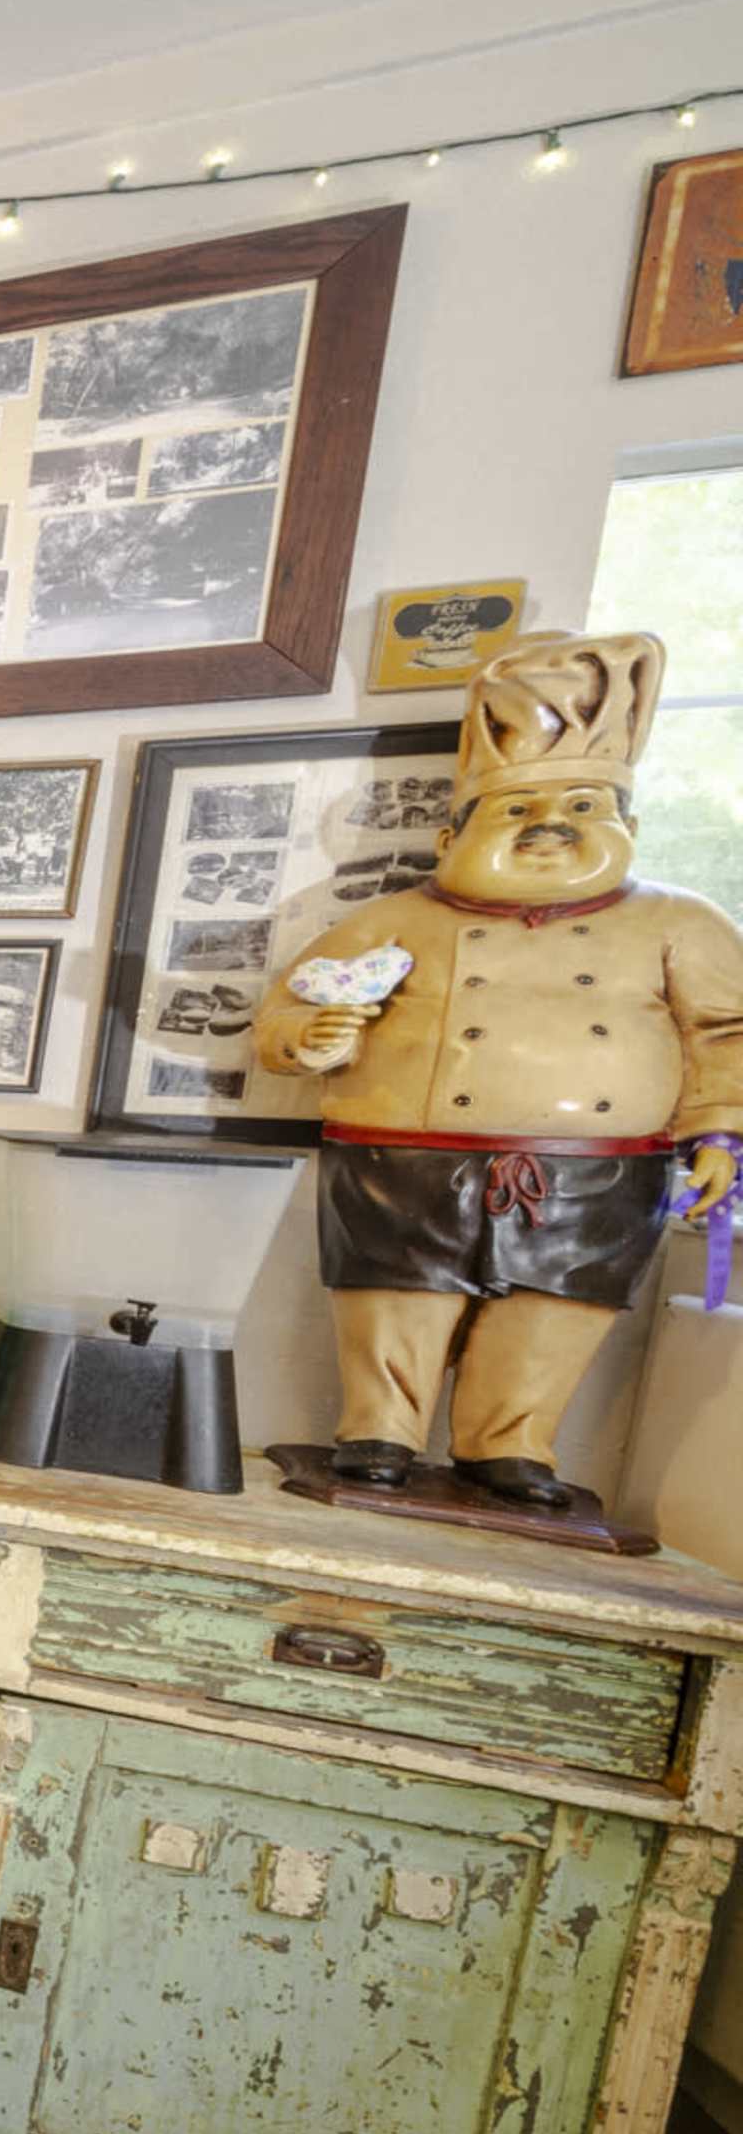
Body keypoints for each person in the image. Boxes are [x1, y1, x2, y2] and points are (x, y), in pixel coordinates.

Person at [252, 632, 743, 1508]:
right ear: (452, 835)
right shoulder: (400, 916)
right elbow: (287, 1009)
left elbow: (727, 1031)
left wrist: (721, 1133)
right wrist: (310, 1036)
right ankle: (378, 1432)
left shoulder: (680, 920)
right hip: (401, 1155)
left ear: (628, 827)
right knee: (394, 1296)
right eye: (515, 811)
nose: (549, 825)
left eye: (582, 805)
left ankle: (508, 1444)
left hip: (595, 1167)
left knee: (555, 1308)